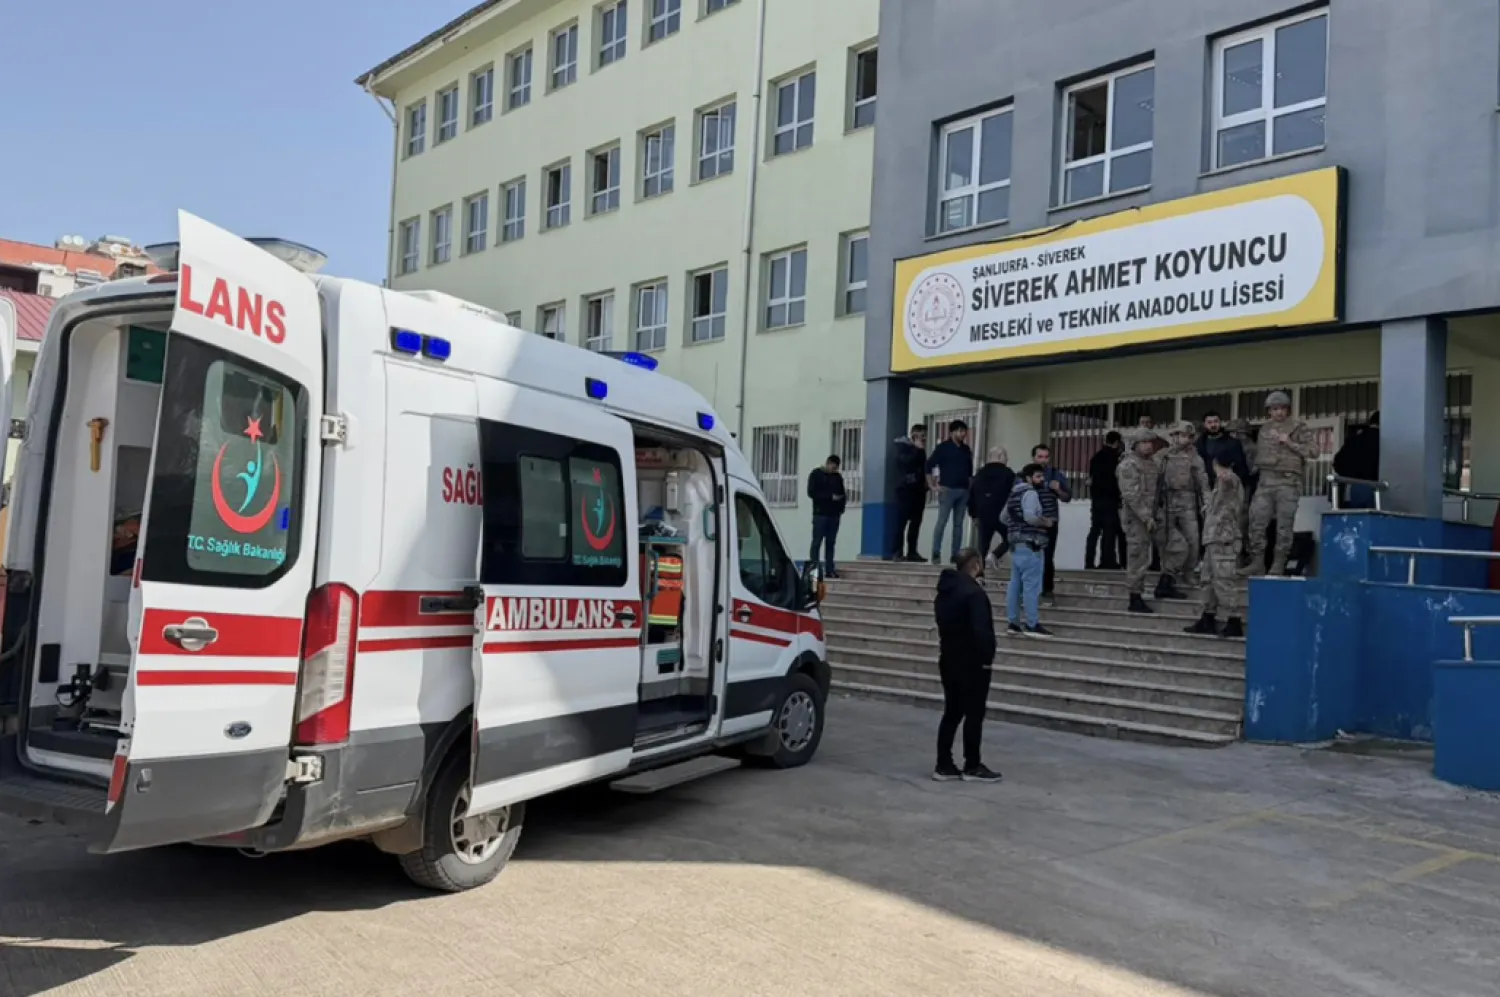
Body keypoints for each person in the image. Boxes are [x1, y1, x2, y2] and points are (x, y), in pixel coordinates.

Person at [932, 547, 1002, 783]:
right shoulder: (974, 594)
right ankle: (972, 764)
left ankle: (943, 763)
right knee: (974, 714)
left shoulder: (945, 592)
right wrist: (987, 658)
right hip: (972, 663)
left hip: (949, 658)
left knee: (952, 712)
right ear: (975, 564)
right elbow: (981, 631)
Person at [1245, 391, 1318, 576]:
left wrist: (1290, 442)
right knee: (1256, 523)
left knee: (1284, 527)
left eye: (1282, 408)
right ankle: (1257, 562)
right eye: (1274, 409)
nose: (1278, 413)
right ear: (1269, 411)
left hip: (1287, 482)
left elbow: (1314, 452)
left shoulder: (1298, 427)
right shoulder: (1264, 429)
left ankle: (1278, 564)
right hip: (1265, 481)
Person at [1186, 455, 1247, 639]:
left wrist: (1225, 473)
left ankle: (1234, 619)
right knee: (1208, 580)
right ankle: (1208, 617)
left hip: (1223, 539)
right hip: (1213, 539)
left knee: (1223, 580)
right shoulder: (1217, 485)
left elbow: (1229, 482)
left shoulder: (1229, 479)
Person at [1002, 463, 1055, 638]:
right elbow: (1030, 517)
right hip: (1031, 545)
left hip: (1016, 546)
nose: (1042, 480)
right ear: (1028, 478)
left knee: (1015, 586)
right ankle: (1032, 624)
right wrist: (1044, 522)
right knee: (1032, 587)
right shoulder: (1031, 493)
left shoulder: (1013, 493)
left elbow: (1003, 517)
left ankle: (1013, 623)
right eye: (1038, 476)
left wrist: (1016, 525)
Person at [1117, 429, 1166, 614]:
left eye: (1151, 442)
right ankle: (1135, 596)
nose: (1148, 445)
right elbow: (1131, 495)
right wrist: (1146, 516)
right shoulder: (1128, 465)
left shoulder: (1152, 463)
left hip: (1152, 516)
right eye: (1144, 442)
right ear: (1135, 444)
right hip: (1136, 519)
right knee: (1137, 557)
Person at [1158, 422, 1208, 600]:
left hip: (1187, 500)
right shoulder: (1163, 456)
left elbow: (1203, 482)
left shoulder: (1195, 457)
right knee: (1168, 539)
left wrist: (1206, 504)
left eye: (1187, 435)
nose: (1182, 439)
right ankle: (1168, 573)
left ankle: (1188, 571)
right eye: (1179, 435)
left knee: (1193, 538)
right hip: (1167, 500)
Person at [926, 419, 974, 564]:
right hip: (947, 489)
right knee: (942, 522)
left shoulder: (966, 449)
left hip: (963, 490)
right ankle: (936, 552)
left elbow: (970, 471)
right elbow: (929, 465)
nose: (963, 434)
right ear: (952, 432)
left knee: (958, 524)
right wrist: (932, 486)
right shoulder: (943, 448)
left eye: (964, 431)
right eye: (960, 431)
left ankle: (956, 554)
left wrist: (969, 488)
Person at [1030, 444, 1072, 604]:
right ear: (1033, 457)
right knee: (1030, 558)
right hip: (1030, 523)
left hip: (1050, 523)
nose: (1043, 460)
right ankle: (1030, 591)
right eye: (1040, 457)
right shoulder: (1025, 474)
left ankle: (1047, 590)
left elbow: (1067, 497)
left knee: (1047, 558)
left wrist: (1058, 490)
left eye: (1046, 457)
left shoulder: (1055, 474)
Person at [1086, 432, 1127, 570]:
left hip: (1096, 500)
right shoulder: (1114, 458)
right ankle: (1108, 561)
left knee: (1095, 531)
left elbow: (1092, 479)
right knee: (1110, 532)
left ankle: (1089, 562)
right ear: (1116, 442)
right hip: (1110, 500)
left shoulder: (1096, 457)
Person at [967, 447, 1015, 567]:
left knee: (983, 545)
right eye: (1006, 457)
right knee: (1011, 537)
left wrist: (973, 514)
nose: (1007, 459)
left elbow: (971, 495)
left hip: (983, 514)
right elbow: (1014, 494)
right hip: (1003, 513)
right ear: (1000, 457)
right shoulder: (1008, 474)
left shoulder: (979, 473)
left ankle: (978, 573)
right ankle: (995, 555)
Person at [890, 425, 928, 562]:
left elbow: (923, 467)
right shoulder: (901, 446)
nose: (923, 438)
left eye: (925, 435)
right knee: (901, 522)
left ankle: (912, 551)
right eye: (921, 435)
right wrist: (916, 450)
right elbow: (904, 462)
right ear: (913, 436)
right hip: (904, 490)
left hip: (919, 490)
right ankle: (897, 551)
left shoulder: (921, 450)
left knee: (916, 522)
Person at [806, 454, 847, 579]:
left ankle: (830, 569)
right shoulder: (816, 474)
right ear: (828, 463)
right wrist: (829, 497)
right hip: (820, 514)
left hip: (834, 515)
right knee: (817, 542)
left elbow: (842, 493)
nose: (833, 470)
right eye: (832, 467)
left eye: (836, 468)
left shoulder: (837, 477)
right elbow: (811, 492)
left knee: (831, 543)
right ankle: (814, 571)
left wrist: (841, 508)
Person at [1332, 411, 1380, 509]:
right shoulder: (1383, 440)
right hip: (1375, 488)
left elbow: (1337, 463)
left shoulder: (1355, 439)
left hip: (1351, 489)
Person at [1196, 411, 1250, 490]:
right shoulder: (1199, 443)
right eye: (1209, 422)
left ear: (1220, 422)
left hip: (1227, 487)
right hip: (1205, 487)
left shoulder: (1232, 443)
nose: (1213, 425)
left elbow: (1241, 468)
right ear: (1204, 424)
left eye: (1216, 421)